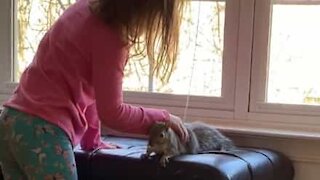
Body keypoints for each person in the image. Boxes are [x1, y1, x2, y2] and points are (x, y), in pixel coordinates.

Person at [0, 0, 188, 179]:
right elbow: (113, 113)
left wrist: (92, 139)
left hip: (10, 121)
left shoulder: (84, 8)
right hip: (41, 131)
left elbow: (87, 88)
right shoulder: (113, 36)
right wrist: (163, 118)